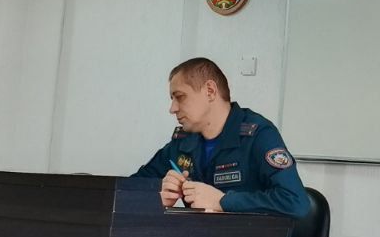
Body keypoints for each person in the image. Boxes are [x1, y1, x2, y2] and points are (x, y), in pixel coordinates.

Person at [132, 57, 311, 221]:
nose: (172, 108)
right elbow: (129, 190)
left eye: (180, 97)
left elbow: (295, 202)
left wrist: (223, 201)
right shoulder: (183, 142)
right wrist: (156, 195)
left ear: (210, 91)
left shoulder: (257, 135)